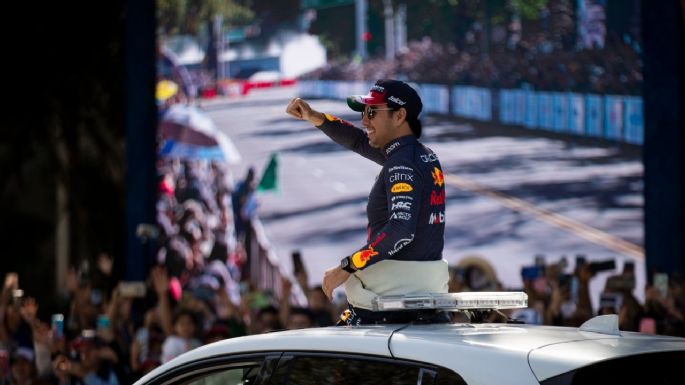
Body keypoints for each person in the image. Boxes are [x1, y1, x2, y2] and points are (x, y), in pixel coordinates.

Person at [286, 79, 449, 324]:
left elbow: (401, 230)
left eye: (372, 112)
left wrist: (346, 267)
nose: (365, 120)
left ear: (399, 115)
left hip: (393, 300)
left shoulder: (401, 162)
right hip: (416, 294)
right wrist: (313, 116)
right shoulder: (418, 154)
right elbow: (358, 140)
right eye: (364, 112)